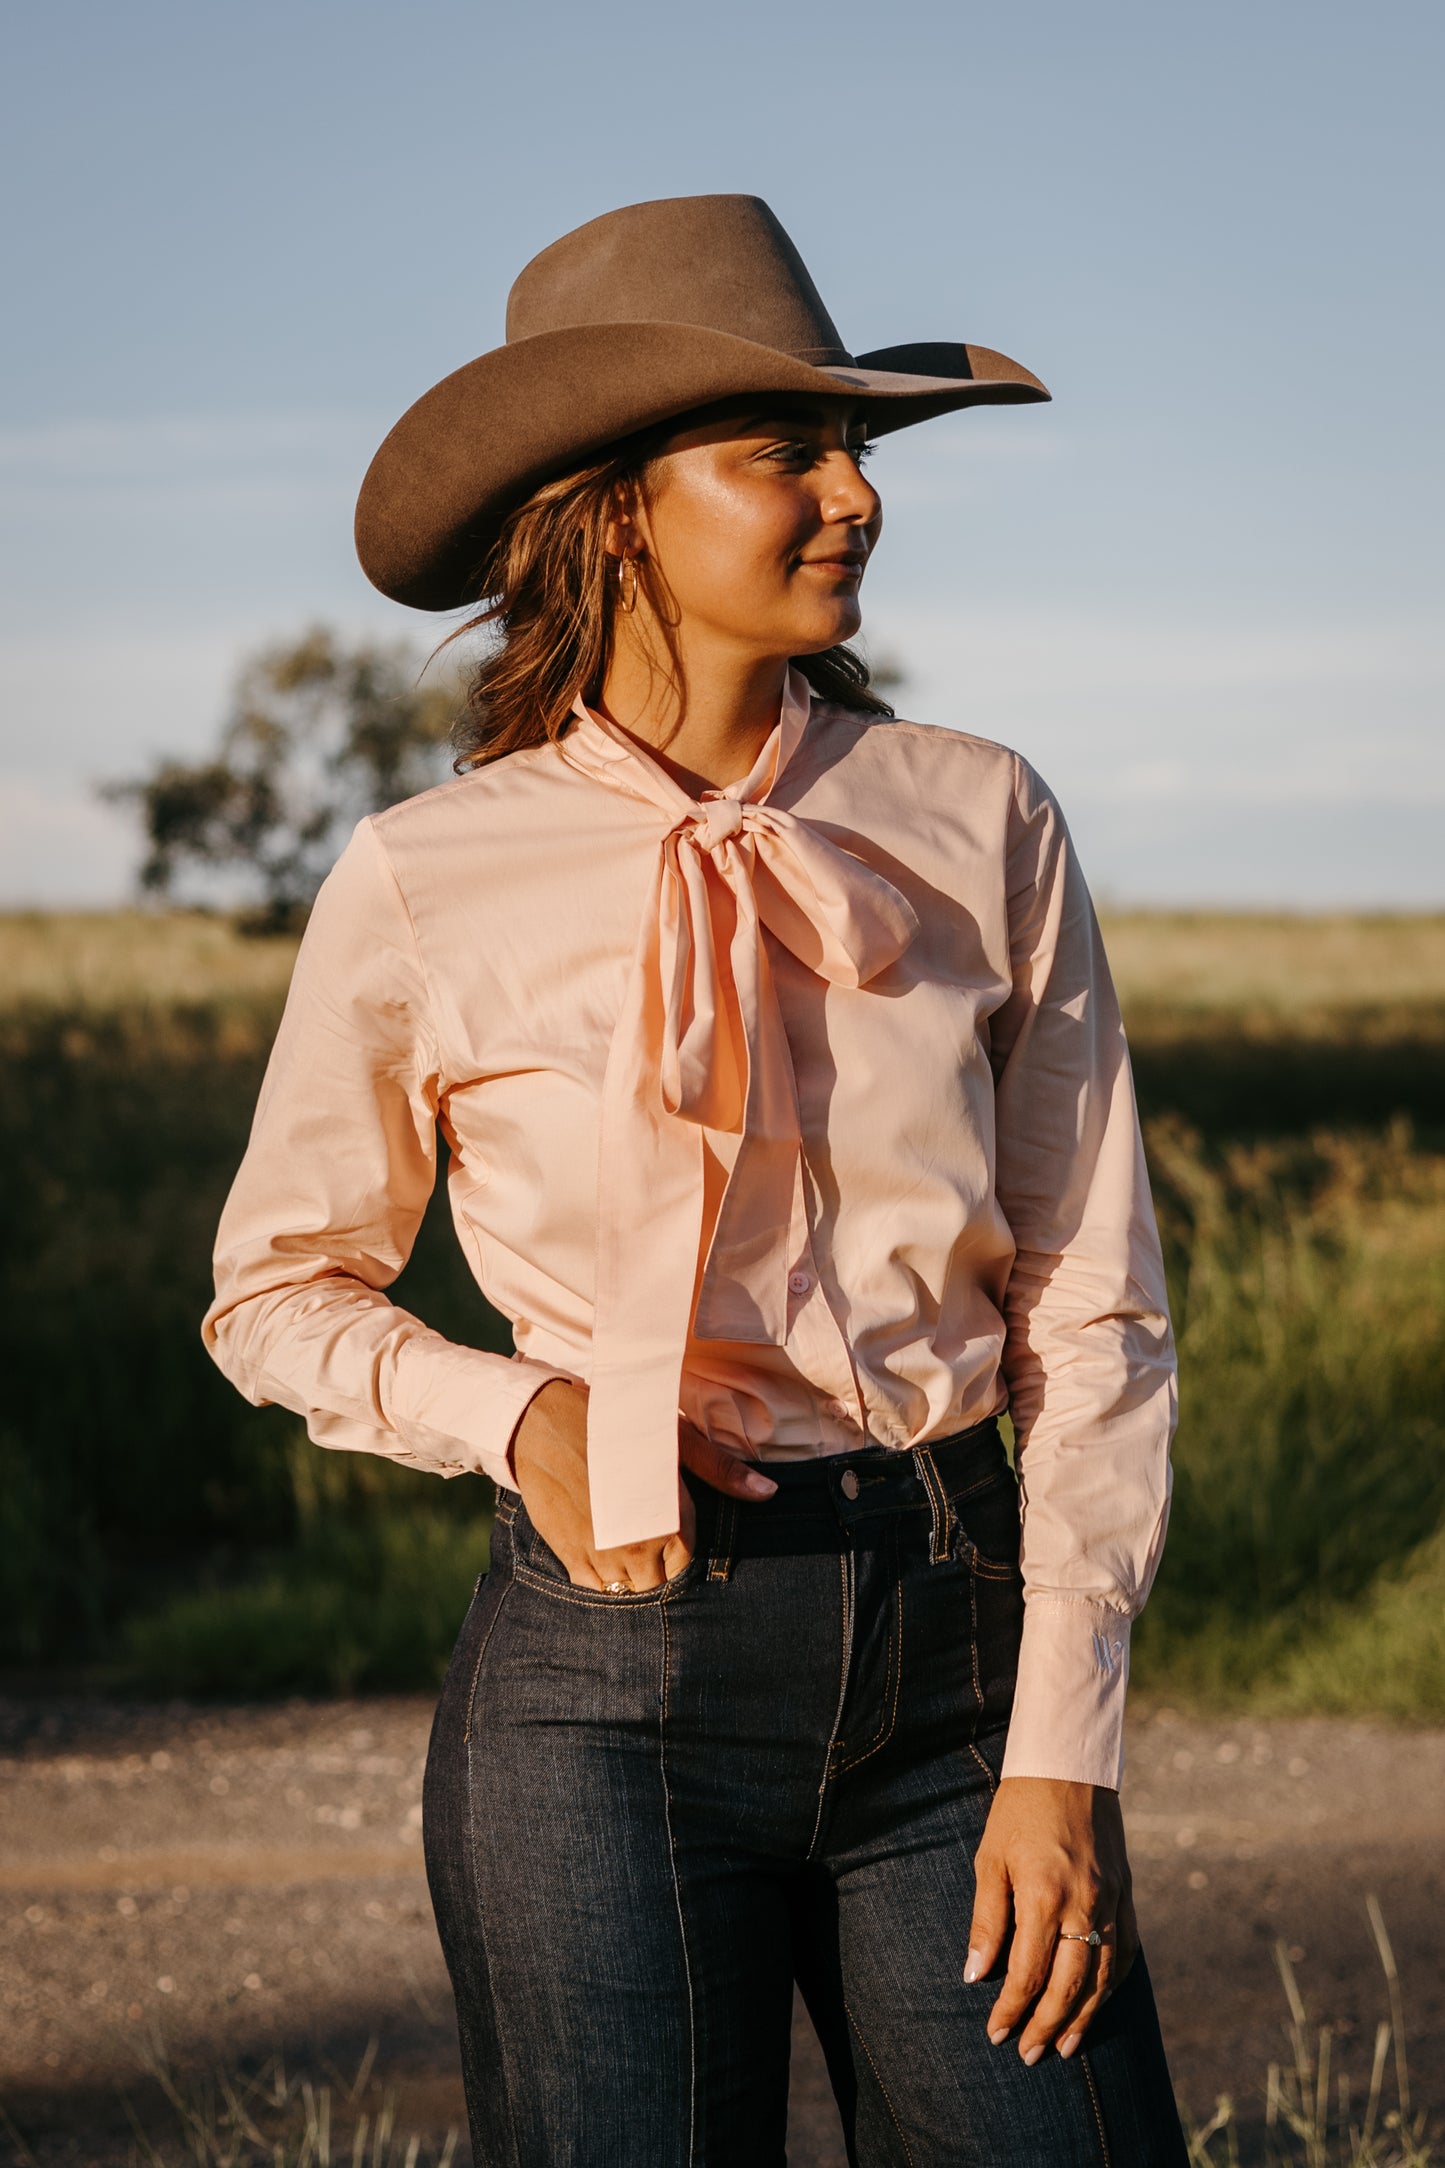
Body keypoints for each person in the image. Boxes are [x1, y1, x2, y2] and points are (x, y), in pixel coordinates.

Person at [204, 194, 1187, 2165]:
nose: (853, 495)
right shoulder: (425, 875)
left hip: (956, 1641)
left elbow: (1089, 1294)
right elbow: (276, 1292)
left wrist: (1060, 1747)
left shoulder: (981, 812)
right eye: (784, 454)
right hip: (602, 1683)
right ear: (616, 509)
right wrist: (521, 1416)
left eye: (859, 452)